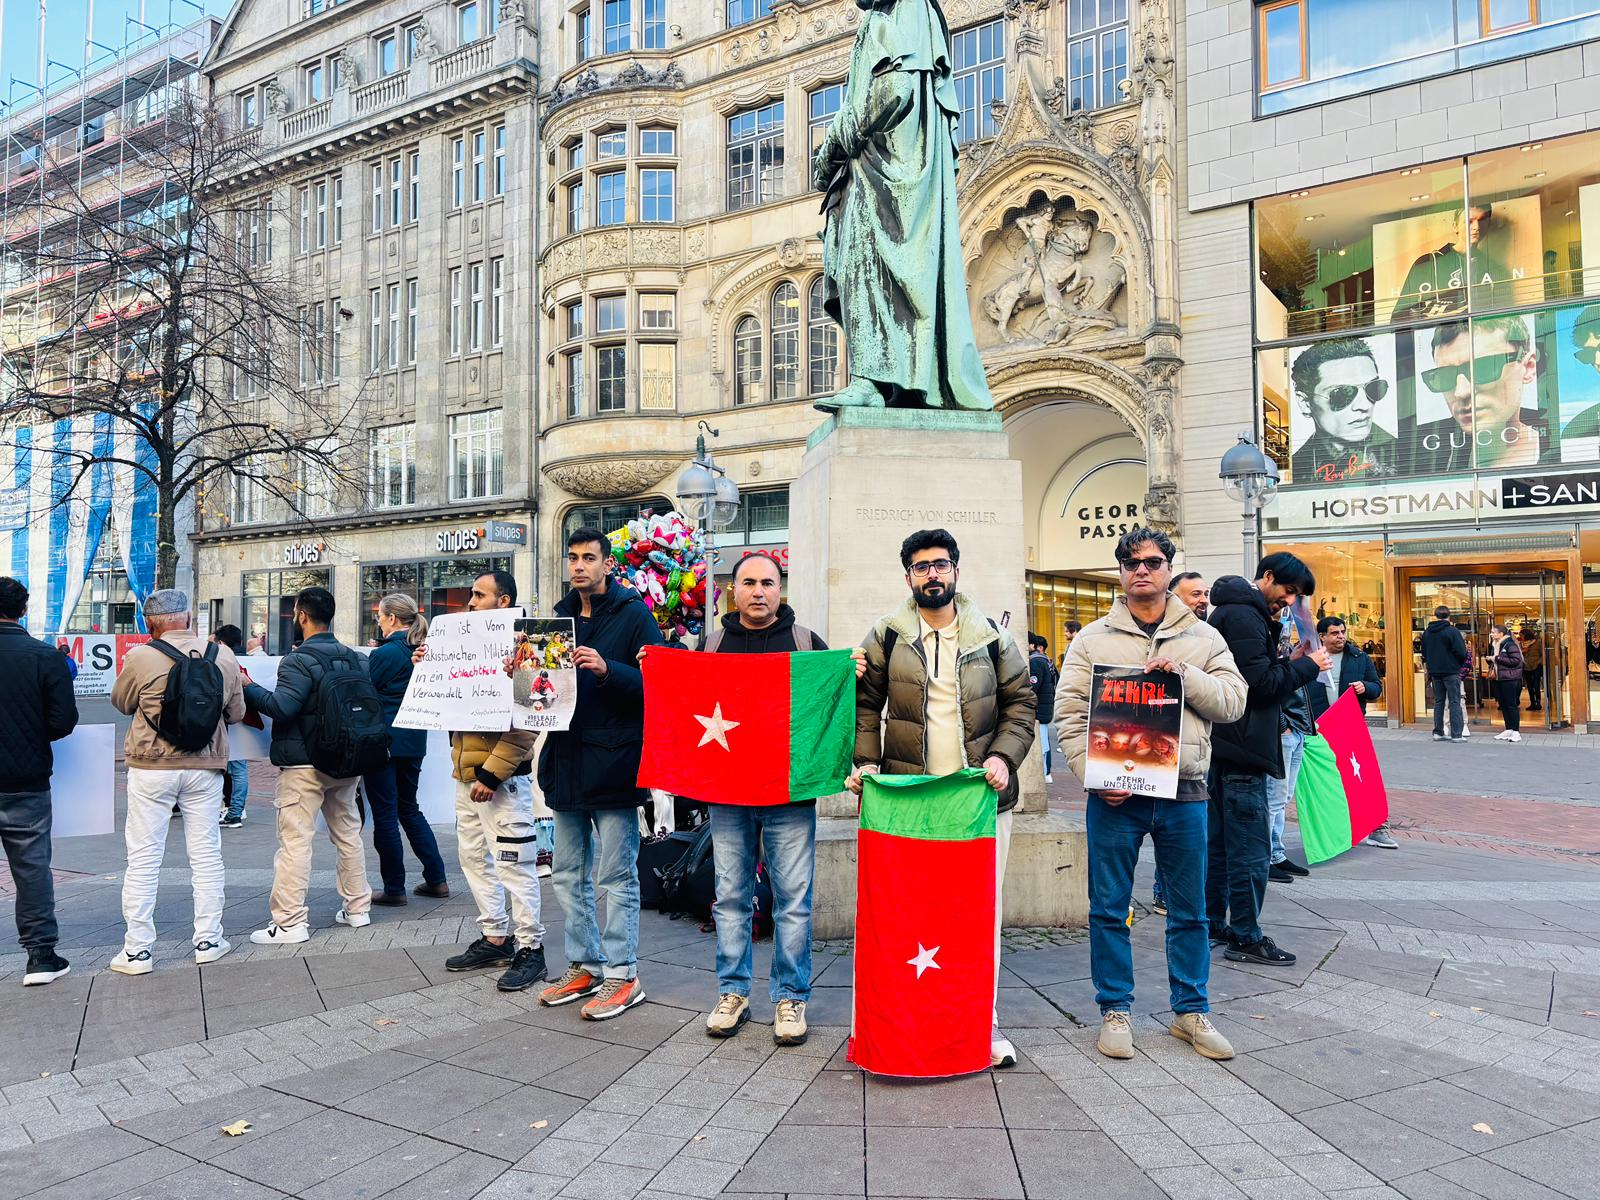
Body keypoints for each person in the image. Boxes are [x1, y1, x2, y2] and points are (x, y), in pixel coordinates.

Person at [1057, 528, 1247, 1061]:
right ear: (1120, 571)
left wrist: (1186, 676)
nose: (1141, 570)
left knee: (1190, 910)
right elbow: (1069, 716)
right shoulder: (1091, 639)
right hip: (1115, 797)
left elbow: (1234, 701)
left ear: (1169, 569)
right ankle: (1115, 1009)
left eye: (1152, 562)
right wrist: (1095, 776)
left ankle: (1190, 1011)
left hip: (1184, 791)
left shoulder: (1204, 638)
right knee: (1109, 907)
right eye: (1130, 562)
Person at [850, 528, 1035, 1068]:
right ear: (908, 575)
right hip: (907, 802)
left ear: (957, 570)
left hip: (978, 801)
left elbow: (1021, 706)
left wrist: (1003, 758)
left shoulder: (992, 638)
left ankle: (982, 1023)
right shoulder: (885, 636)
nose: (933, 573)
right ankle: (887, 1025)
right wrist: (864, 766)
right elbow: (864, 707)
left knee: (978, 918)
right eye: (922, 566)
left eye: (941, 564)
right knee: (898, 917)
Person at [694, 551, 864, 1046]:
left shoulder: (806, 644)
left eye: (767, 582)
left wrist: (849, 672)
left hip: (790, 794)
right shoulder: (711, 644)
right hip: (728, 794)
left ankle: (791, 996)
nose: (758, 591)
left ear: (780, 588)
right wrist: (657, 668)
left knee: (793, 900)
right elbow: (684, 704)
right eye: (748, 582)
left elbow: (838, 706)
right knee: (730, 898)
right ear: (734, 589)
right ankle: (733, 992)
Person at [811, 0, 993, 411]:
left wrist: (836, 141)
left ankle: (873, 379)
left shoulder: (904, 8)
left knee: (870, 263)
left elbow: (894, 90)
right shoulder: (887, 14)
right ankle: (899, 383)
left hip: (889, 168)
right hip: (878, 163)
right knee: (866, 264)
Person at [538, 529, 664, 1019]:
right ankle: (584, 964)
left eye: (589, 557)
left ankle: (622, 974)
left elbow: (660, 682)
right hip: (566, 762)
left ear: (607, 564)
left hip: (613, 763)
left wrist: (608, 668)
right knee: (568, 874)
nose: (579, 566)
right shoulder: (556, 616)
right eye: (572, 557)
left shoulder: (633, 615)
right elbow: (539, 694)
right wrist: (522, 672)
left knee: (615, 875)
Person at [413, 572, 544, 991]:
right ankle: (495, 937)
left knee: (514, 865)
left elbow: (532, 717)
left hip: (500, 782)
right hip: (466, 776)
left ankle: (530, 948)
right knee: (472, 859)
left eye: (478, 595)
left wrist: (493, 772)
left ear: (502, 600)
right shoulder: (459, 642)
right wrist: (425, 667)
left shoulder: (528, 647)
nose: (469, 602)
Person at [108, 590, 245, 974]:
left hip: (151, 767)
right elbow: (236, 713)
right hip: (205, 765)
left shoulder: (140, 657)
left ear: (150, 623)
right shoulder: (223, 656)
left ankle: (137, 951)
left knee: (143, 859)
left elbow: (122, 702)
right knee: (206, 855)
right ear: (188, 617)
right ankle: (208, 939)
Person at [1206, 552, 1330, 967]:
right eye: (1288, 591)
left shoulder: (1242, 612)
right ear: (1268, 577)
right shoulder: (1244, 616)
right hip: (1242, 747)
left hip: (1229, 745)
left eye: (1296, 597)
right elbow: (1257, 686)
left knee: (1223, 845)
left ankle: (1214, 923)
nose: (1289, 601)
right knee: (1249, 849)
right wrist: (1307, 667)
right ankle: (1245, 933)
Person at [243, 587, 374, 944]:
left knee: (295, 841)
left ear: (301, 615)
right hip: (347, 761)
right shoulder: (355, 658)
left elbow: (282, 706)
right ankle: (358, 907)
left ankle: (289, 922)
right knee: (348, 833)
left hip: (304, 765)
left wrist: (248, 687)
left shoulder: (298, 661)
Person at [0, 577, 78, 985]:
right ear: (23, 611)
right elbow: (63, 721)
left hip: (24, 775)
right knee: (31, 869)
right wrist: (29, 734)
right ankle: (40, 956)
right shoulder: (45, 656)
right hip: (25, 778)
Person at [365, 594, 449, 907]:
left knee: (385, 814)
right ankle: (437, 878)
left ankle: (394, 888)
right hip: (414, 739)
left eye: (380, 615)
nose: (378, 620)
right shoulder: (422, 649)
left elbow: (367, 692)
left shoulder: (387, 653)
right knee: (409, 808)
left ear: (391, 618)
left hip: (385, 740)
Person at [1416, 317, 1552, 472]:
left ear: (1528, 367)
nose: (1461, 392)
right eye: (1445, 376)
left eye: (1484, 368)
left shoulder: (1556, 449)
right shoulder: (1427, 460)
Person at [1308, 617, 1395, 849]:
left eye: (1343, 632)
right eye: (1335, 633)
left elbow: (1376, 687)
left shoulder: (1359, 657)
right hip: (1319, 727)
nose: (1340, 636)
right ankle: (1337, 831)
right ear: (1322, 636)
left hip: (1350, 726)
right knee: (1328, 781)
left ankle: (1376, 828)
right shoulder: (1310, 660)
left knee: (1362, 776)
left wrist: (1365, 687)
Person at [1288, 337, 1400, 485]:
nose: (1364, 405)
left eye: (1373, 388)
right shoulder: (1297, 469)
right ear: (1305, 403)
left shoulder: (1401, 454)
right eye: (1342, 394)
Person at [1393, 204, 1506, 322]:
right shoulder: (1427, 263)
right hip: (1439, 337)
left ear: (1488, 225)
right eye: (1469, 221)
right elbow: (1399, 317)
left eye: (1481, 220)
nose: (1476, 227)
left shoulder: (1494, 268)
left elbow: (1504, 317)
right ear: (1455, 227)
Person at [1265, 614, 1314, 885]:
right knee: (1274, 798)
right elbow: (1264, 684)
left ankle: (1276, 853)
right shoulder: (1259, 634)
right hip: (1284, 727)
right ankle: (1267, 856)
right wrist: (1282, 724)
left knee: (1283, 798)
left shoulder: (1279, 636)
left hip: (1295, 727)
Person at [212, 624, 251, 828]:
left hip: (231, 719)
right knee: (238, 766)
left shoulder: (225, 661)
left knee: (236, 767)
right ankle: (236, 809)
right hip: (243, 720)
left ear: (221, 642)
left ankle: (234, 811)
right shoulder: (245, 660)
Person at [1420, 605, 1469, 743]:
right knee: (1454, 701)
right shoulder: (1452, 631)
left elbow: (1424, 653)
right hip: (1451, 671)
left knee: (1438, 702)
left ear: (1435, 615)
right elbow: (1461, 652)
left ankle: (1438, 732)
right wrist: (1457, 664)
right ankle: (1457, 734)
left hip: (1435, 671)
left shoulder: (1427, 632)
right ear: (1449, 616)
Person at [1027, 632, 1058, 783]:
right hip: (1045, 706)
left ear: (1032, 645)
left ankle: (1045, 772)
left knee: (1042, 742)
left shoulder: (1035, 662)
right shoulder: (1045, 660)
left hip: (1040, 708)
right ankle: (1046, 772)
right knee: (1044, 740)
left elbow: (1032, 685)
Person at [1490, 621, 1525, 744]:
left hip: (1510, 679)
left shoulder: (1509, 645)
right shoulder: (1495, 645)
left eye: (1494, 632)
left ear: (1501, 633)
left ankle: (1515, 730)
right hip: (1499, 679)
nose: (1491, 634)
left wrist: (1496, 658)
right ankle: (1508, 728)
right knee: (1504, 705)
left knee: (1511, 705)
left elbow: (1516, 661)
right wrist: (1491, 659)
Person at [1519, 624, 1544, 713]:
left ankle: (1538, 703)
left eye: (1521, 635)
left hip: (1536, 666)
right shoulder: (1521, 645)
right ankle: (1532, 703)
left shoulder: (1537, 642)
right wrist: (1523, 652)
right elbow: (1518, 655)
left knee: (1536, 685)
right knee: (1529, 686)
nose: (1520, 637)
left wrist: (1539, 662)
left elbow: (1542, 654)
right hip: (1526, 667)